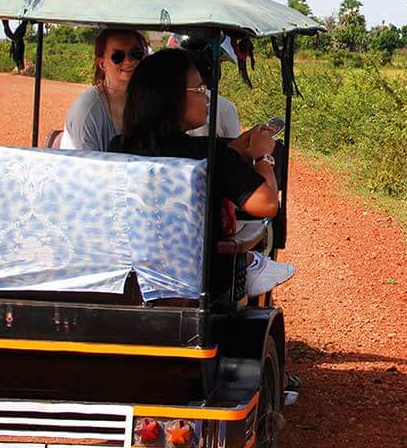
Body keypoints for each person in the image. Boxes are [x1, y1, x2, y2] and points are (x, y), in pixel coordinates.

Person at [112, 49, 294, 298]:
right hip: (201, 286)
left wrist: (235, 151)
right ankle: (254, 264)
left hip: (128, 280)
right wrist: (264, 156)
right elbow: (267, 204)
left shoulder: (116, 147)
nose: (207, 97)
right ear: (172, 98)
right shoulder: (212, 154)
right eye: (199, 90)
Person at [62, 29, 149, 151]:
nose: (129, 61)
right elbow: (87, 165)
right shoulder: (88, 109)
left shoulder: (148, 100)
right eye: (118, 56)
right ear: (102, 64)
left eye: (136, 53)